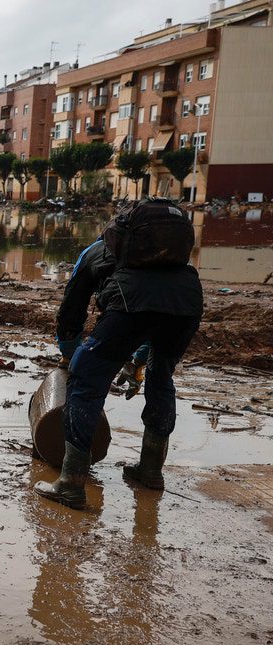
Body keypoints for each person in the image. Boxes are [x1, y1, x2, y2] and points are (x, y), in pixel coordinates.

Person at [35, 198, 202, 508]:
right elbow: (156, 314)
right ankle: (150, 471)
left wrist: (70, 356)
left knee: (86, 378)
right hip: (187, 303)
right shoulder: (170, 258)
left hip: (131, 303)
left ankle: (70, 484)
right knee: (161, 377)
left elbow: (71, 313)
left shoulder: (94, 253)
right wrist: (139, 362)